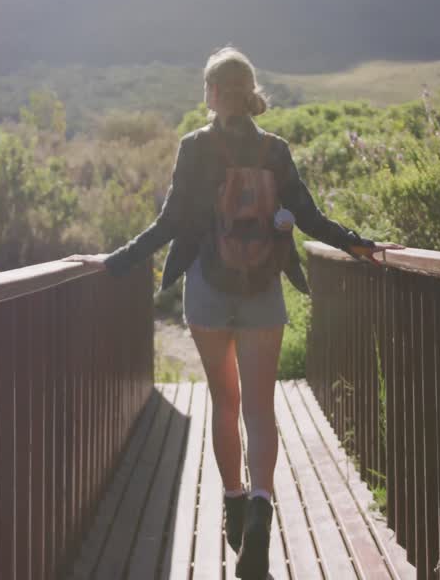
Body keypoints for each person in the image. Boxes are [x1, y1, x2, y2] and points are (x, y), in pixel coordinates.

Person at [67, 47, 400, 579]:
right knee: (260, 408)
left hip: (208, 291)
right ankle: (263, 508)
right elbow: (310, 218)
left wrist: (115, 261)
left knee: (226, 402)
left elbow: (169, 223)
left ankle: (234, 499)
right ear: (249, 93)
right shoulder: (276, 149)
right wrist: (359, 244)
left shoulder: (194, 147)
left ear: (212, 93)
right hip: (263, 291)